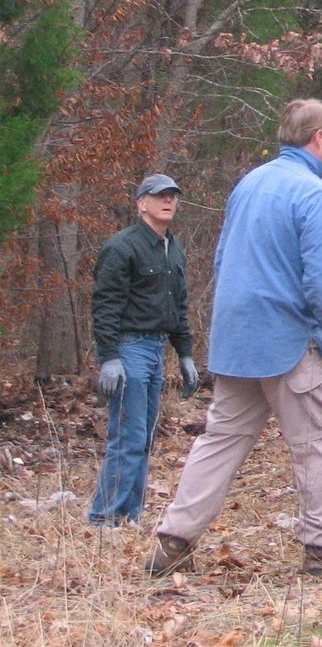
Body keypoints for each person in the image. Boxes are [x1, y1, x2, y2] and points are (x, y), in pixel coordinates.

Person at [148, 99, 322, 577]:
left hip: (236, 337)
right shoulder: (313, 194)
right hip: (289, 340)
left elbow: (221, 260)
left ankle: (172, 542)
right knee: (320, 441)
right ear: (318, 138)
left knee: (220, 440)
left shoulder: (249, 183)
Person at [89, 174, 197, 527]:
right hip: (129, 349)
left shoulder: (174, 248)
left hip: (156, 350)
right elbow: (105, 305)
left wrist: (184, 354)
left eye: (172, 196)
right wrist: (109, 357)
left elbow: (178, 306)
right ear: (141, 204)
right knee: (129, 436)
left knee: (144, 437)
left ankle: (128, 516)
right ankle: (104, 518)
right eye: (159, 196)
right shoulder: (122, 247)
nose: (168, 201)